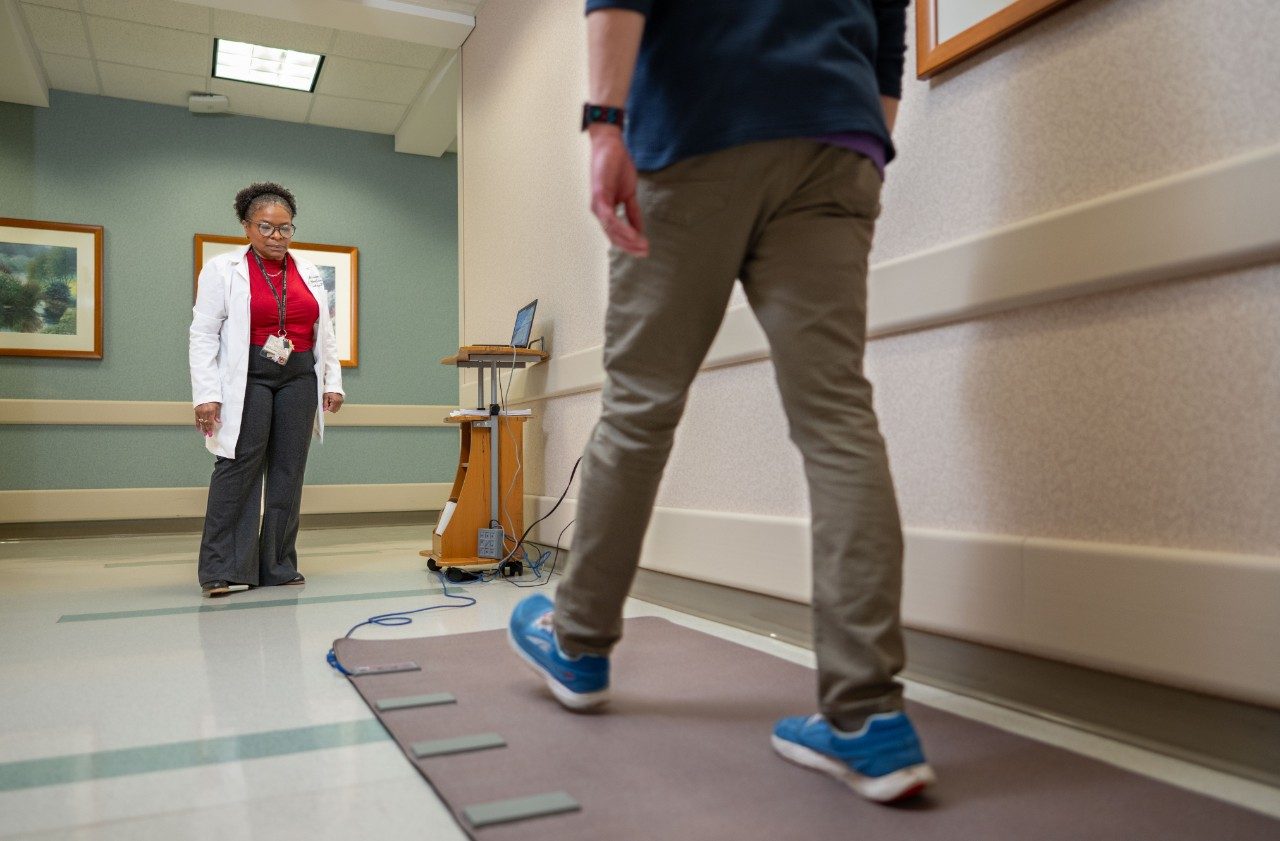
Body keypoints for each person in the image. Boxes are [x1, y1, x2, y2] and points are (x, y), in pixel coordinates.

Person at [508, 0, 934, 804]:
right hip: (835, 138)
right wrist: (861, 144)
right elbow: (888, 32)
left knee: (640, 406)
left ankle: (578, 642)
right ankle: (869, 714)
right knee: (839, 418)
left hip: (701, 122)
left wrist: (605, 125)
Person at [189, 182, 344, 598]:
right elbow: (203, 334)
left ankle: (277, 564)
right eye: (267, 227)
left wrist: (332, 382)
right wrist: (206, 394)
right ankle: (223, 567)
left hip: (298, 377)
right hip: (248, 376)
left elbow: (323, 332)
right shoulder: (222, 269)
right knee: (238, 467)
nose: (277, 237)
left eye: (285, 228)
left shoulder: (308, 271)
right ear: (246, 227)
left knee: (288, 472)